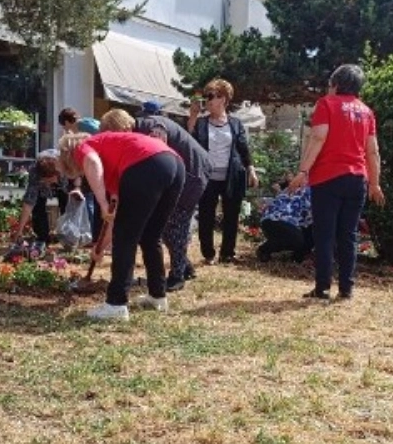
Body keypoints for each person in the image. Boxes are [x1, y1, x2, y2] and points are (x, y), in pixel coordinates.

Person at [57, 131, 184, 321]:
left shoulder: (84, 146)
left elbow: (91, 162)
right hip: (174, 164)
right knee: (150, 236)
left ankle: (116, 304)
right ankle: (158, 296)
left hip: (147, 164)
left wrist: (101, 203)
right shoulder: (115, 160)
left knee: (126, 238)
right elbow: (115, 216)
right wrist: (100, 247)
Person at [287, 64, 385, 300]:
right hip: (357, 179)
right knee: (348, 234)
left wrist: (303, 171)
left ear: (336, 84)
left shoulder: (326, 104)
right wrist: (375, 183)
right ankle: (346, 288)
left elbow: (318, 137)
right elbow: (372, 151)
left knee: (325, 234)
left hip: (328, 178)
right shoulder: (366, 112)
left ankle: (322, 288)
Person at [100, 109, 211, 291]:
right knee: (163, 226)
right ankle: (185, 266)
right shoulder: (139, 132)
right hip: (179, 174)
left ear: (121, 127)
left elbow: (159, 145)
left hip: (192, 174)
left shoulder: (152, 125)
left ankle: (177, 275)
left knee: (176, 225)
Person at [188, 79, 257, 264]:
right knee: (206, 215)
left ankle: (227, 253)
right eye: (207, 96)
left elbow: (243, 148)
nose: (208, 100)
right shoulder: (202, 123)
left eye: (213, 96)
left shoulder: (235, 124)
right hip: (207, 176)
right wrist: (193, 116)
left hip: (231, 176)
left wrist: (251, 169)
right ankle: (208, 253)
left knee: (231, 216)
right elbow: (190, 142)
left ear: (224, 99)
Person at [10, 151, 69, 241]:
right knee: (38, 205)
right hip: (40, 183)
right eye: (46, 181)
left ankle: (68, 234)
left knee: (67, 204)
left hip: (63, 181)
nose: (49, 184)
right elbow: (28, 203)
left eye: (50, 181)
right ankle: (43, 236)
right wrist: (19, 230)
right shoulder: (34, 173)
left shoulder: (64, 168)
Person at [257, 185, 313, 263]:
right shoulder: (311, 190)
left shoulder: (305, 186)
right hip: (278, 219)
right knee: (298, 238)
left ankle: (298, 257)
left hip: (276, 220)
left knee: (310, 233)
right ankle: (264, 249)